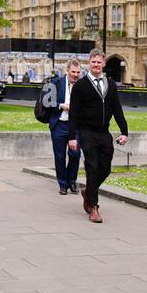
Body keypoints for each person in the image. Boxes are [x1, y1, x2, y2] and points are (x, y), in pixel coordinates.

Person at [67, 48, 129, 222]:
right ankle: (93, 207)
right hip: (86, 132)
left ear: (104, 63)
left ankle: (88, 191)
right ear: (89, 63)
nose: (96, 64)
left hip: (104, 133)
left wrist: (124, 131)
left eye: (99, 62)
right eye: (93, 62)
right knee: (92, 167)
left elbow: (117, 109)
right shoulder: (80, 85)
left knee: (106, 168)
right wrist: (72, 137)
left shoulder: (110, 84)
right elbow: (73, 114)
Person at [45, 60, 82, 195]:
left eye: (78, 72)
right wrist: (62, 106)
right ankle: (62, 184)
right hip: (59, 124)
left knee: (75, 154)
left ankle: (72, 180)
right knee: (59, 156)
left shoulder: (83, 85)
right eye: (73, 72)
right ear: (67, 71)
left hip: (76, 126)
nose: (75, 75)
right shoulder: (56, 83)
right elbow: (47, 102)